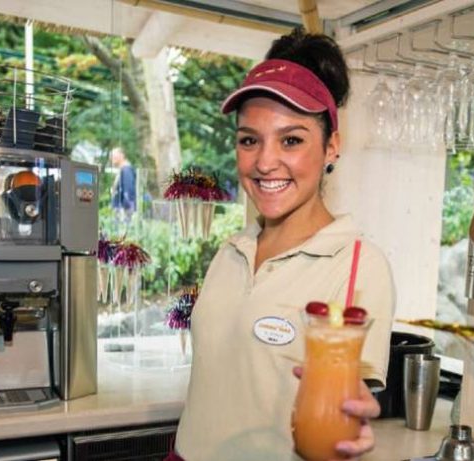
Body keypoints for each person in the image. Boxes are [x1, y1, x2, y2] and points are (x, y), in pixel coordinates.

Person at [170, 29, 396, 461]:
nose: (264, 162)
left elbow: (350, 396)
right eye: (249, 140)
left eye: (291, 140)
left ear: (331, 147)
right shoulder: (231, 250)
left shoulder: (357, 265)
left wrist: (352, 417)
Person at [110, 147, 137, 227]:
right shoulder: (122, 170)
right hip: (121, 209)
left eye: (114, 156)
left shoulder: (126, 170)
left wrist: (127, 208)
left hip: (124, 210)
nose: (111, 158)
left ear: (122, 156)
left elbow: (128, 191)